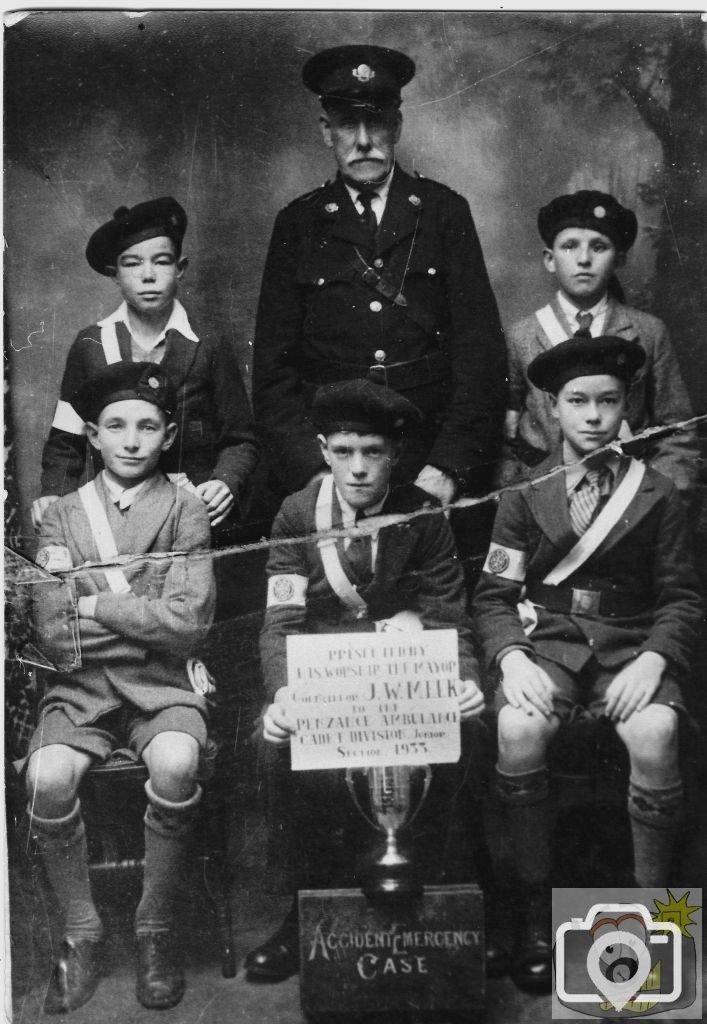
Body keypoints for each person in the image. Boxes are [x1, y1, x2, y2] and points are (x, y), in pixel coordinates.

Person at [473, 336, 703, 993]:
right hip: (546, 645)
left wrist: (656, 659)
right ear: (552, 408)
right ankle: (533, 906)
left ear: (626, 403)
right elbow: (492, 597)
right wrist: (512, 657)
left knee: (654, 732)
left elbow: (681, 599)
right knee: (517, 729)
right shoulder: (522, 493)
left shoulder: (656, 493)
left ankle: (650, 913)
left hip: (630, 646)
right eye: (577, 401)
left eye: (607, 400)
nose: (594, 415)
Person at [244, 378, 486, 982]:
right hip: (324, 674)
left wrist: (462, 679)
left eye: (372, 452)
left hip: (406, 668)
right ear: (323, 450)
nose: (357, 469)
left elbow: (449, 616)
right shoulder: (297, 514)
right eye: (344, 451)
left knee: (473, 728)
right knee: (273, 744)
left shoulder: (423, 515)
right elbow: (280, 623)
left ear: (395, 456)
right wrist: (284, 694)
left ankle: (456, 902)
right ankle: (300, 906)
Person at [25, 362, 216, 1012]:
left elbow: (189, 622)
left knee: (177, 760)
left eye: (147, 426)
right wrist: (144, 612)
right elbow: (52, 631)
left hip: (161, 687)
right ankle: (82, 934)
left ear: (167, 434)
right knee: (46, 777)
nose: (131, 440)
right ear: (94, 438)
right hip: (79, 690)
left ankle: (155, 929)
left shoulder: (186, 509)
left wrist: (97, 607)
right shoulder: (63, 517)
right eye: (115, 426)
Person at [252, 44, 506, 504]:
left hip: (426, 455)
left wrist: (449, 465)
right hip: (332, 459)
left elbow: (481, 355)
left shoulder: (444, 212)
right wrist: (311, 473)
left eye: (377, 123)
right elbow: (273, 371)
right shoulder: (298, 224)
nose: (364, 140)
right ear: (326, 131)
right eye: (349, 125)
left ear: (398, 126)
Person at [32, 196, 258, 542]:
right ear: (115, 275)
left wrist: (225, 482)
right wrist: (54, 491)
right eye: (133, 264)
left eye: (162, 262)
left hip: (193, 511)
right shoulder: (91, 345)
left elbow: (240, 439)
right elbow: (66, 441)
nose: (148, 275)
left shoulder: (207, 343)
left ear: (180, 268)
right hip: (115, 517)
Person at [500, 190, 697, 495]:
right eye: (569, 247)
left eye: (599, 247)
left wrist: (656, 495)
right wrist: (516, 493)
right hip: (542, 493)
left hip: (626, 491)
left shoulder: (649, 332)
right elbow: (502, 434)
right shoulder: (522, 335)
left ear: (619, 259)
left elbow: (678, 430)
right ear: (550, 260)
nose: (583, 259)